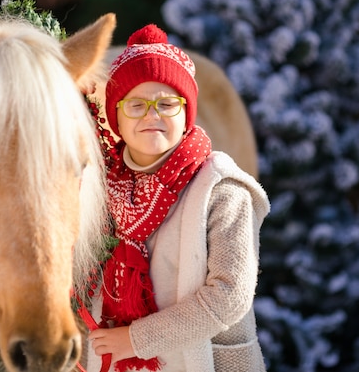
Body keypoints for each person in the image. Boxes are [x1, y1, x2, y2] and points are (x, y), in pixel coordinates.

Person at [86, 24, 270, 372]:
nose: (152, 115)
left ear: (187, 114)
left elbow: (230, 296)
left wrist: (134, 340)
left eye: (167, 104)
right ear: (117, 119)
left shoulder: (222, 190)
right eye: (136, 105)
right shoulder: (105, 191)